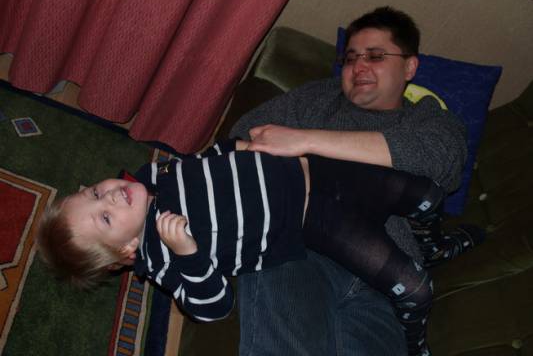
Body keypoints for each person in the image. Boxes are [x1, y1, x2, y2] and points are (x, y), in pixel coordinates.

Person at [229, 6, 469, 356]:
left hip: (387, 282)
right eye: (351, 57)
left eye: (375, 56)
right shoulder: (318, 98)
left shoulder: (429, 119)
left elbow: (442, 161)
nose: (359, 66)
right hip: (300, 249)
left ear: (409, 67)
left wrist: (304, 141)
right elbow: (241, 136)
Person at [36, 138, 445, 340]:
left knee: (428, 194)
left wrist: (240, 145)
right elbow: (213, 307)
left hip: (315, 168)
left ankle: (431, 241)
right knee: (415, 289)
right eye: (105, 217)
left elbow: (202, 162)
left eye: (95, 193)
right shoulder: (162, 259)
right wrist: (188, 253)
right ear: (125, 251)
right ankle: (415, 340)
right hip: (314, 220)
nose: (108, 196)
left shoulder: (153, 175)